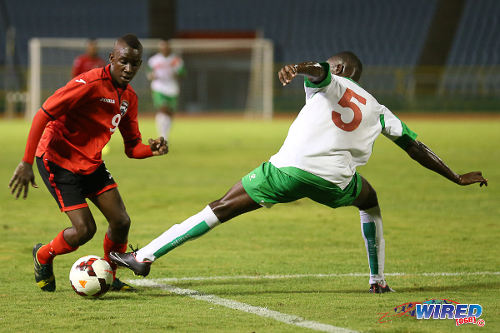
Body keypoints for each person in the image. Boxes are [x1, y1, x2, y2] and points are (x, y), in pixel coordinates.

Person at [110, 51, 487, 293]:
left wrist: (300, 67)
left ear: (341, 69)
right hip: (337, 180)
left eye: (330, 63)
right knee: (369, 200)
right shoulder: (381, 108)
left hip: (289, 169)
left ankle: (145, 257)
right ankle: (377, 279)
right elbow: (415, 147)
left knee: (221, 206)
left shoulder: (331, 80)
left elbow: (320, 70)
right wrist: (455, 176)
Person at [8, 34, 168, 292]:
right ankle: (43, 255)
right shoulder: (89, 83)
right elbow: (42, 115)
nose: (129, 69)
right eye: (124, 62)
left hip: (91, 163)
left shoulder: (129, 98)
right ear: (112, 58)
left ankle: (110, 274)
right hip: (57, 159)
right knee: (84, 230)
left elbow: (132, 148)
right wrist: (26, 162)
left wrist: (152, 150)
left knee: (121, 221)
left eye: (135, 64)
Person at [147, 39, 185, 141]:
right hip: (159, 87)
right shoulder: (153, 60)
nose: (165, 49)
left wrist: (177, 74)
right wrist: (152, 76)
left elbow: (182, 74)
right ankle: (162, 135)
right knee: (162, 108)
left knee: (169, 112)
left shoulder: (176, 60)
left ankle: (165, 136)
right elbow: (149, 74)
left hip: (172, 88)